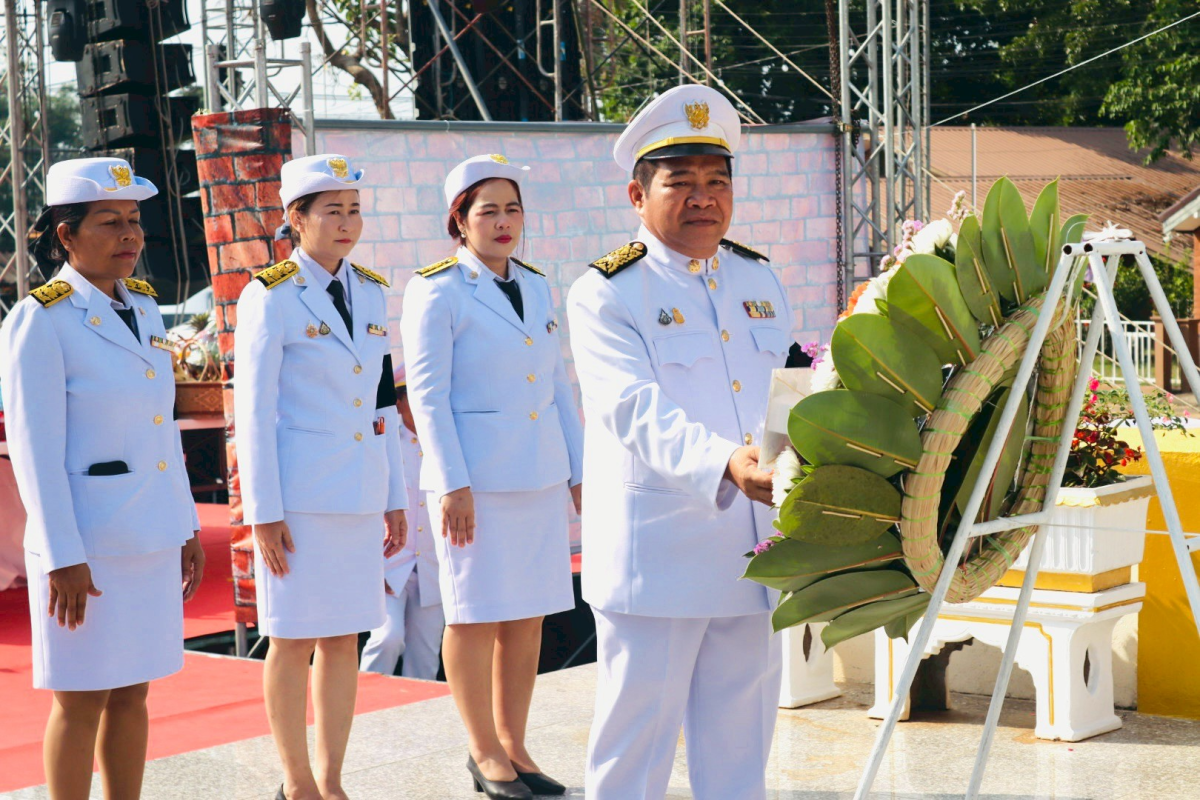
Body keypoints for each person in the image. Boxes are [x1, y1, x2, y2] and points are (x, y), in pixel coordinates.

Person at [566, 85, 794, 800]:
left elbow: (789, 387)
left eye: (717, 181)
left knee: (740, 751)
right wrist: (724, 460)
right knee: (634, 757)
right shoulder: (606, 292)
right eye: (682, 182)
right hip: (657, 562)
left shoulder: (758, 278)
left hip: (753, 556)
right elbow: (632, 408)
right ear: (638, 194)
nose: (704, 198)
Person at [0, 156, 204, 800]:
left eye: (136, 222)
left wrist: (186, 524)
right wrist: (61, 556)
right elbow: (34, 449)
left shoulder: (142, 307)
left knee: (133, 689)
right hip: (85, 542)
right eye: (110, 222)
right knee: (82, 697)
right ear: (67, 234)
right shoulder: (42, 318)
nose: (130, 236)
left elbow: (160, 426)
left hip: (146, 532)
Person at [401, 154, 584, 800]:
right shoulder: (437, 288)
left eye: (513, 209)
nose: (504, 222)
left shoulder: (535, 284)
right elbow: (428, 395)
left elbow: (559, 382)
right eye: (488, 211)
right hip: (473, 484)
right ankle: (483, 751)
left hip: (535, 474)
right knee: (474, 616)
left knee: (527, 617)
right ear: (460, 220)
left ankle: (516, 745)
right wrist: (450, 482)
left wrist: (578, 470)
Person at [234, 154, 408, 800]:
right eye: (331, 210)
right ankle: (297, 780)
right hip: (299, 499)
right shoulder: (271, 294)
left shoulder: (369, 289)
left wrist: (392, 495)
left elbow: (381, 403)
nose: (346, 222)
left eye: (354, 209)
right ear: (295, 219)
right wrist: (264, 513)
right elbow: (250, 411)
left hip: (358, 492)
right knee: (293, 636)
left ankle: (332, 780)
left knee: (343, 638)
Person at [360, 363, 444, 680]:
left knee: (425, 659)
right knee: (386, 639)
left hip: (433, 566)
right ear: (399, 400)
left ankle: (418, 726)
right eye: (411, 395)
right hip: (388, 565)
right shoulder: (382, 439)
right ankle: (359, 713)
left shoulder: (446, 440)